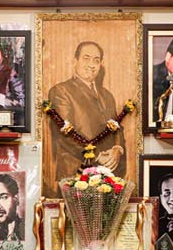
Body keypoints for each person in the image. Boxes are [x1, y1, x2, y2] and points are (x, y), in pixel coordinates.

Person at [45, 41, 125, 195]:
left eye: (96, 60)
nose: (91, 65)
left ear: (100, 65)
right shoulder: (61, 91)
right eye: (86, 58)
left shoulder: (107, 95)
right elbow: (65, 134)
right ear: (75, 61)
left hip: (107, 176)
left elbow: (117, 128)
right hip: (75, 173)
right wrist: (97, 155)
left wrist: (117, 149)